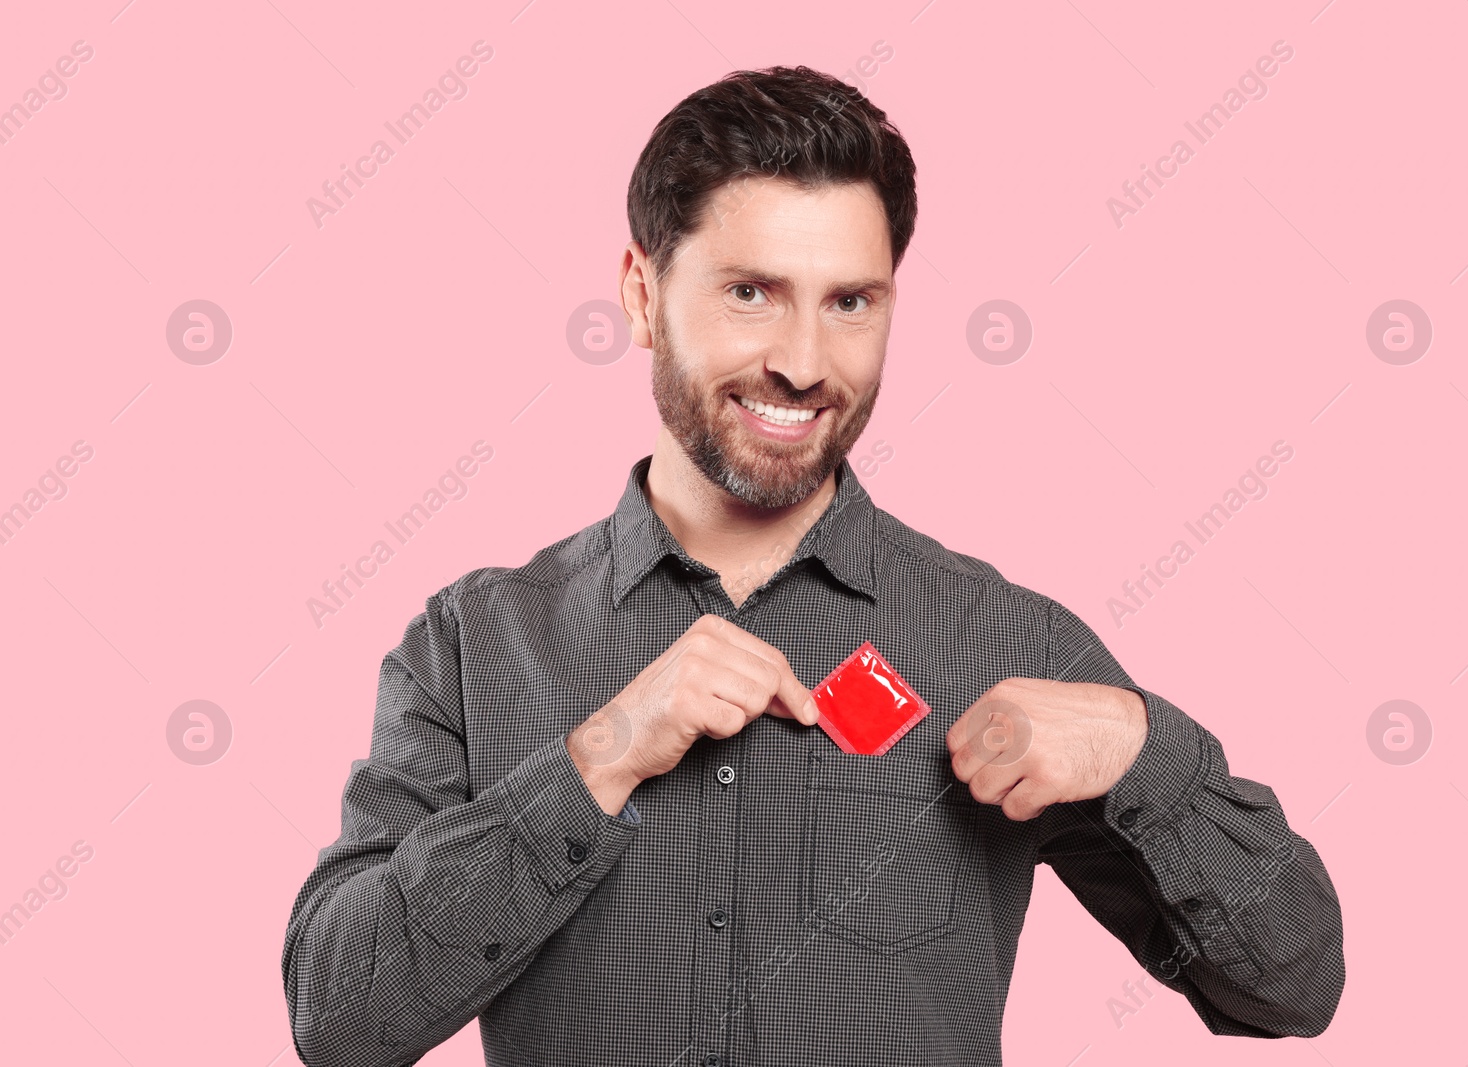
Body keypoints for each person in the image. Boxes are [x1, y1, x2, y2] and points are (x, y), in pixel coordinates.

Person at [280, 65, 1344, 1067]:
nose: (801, 361)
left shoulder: (1006, 641)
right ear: (642, 296)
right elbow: (338, 1018)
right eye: (751, 292)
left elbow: (1291, 985)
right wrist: (597, 759)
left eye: (850, 302)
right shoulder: (475, 644)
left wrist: (1143, 748)